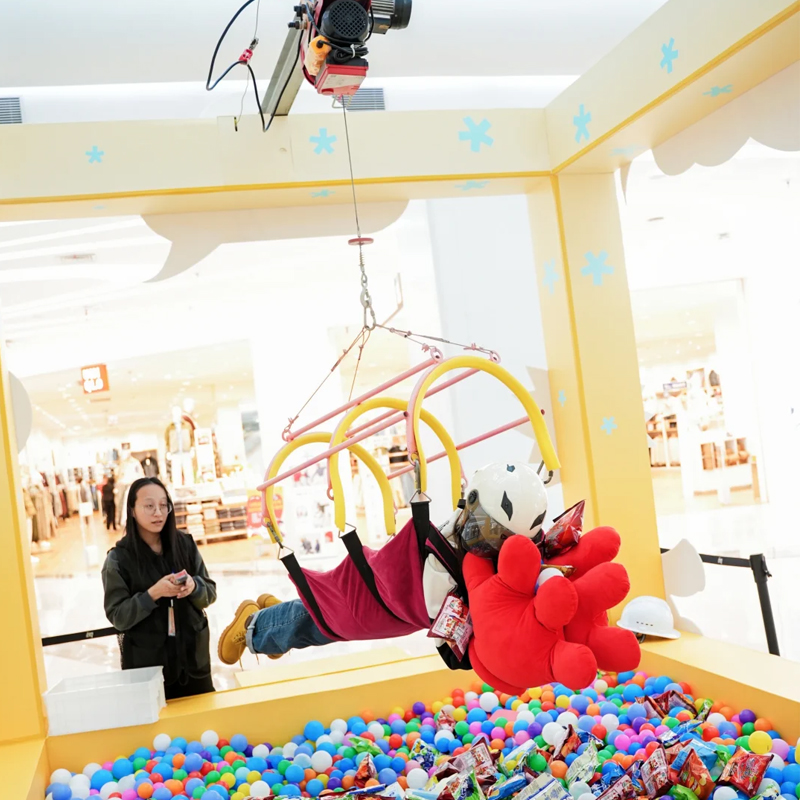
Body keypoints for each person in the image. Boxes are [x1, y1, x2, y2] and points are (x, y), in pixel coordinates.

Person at [101, 477, 217, 699]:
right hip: (149, 668)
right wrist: (153, 594)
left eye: (164, 505)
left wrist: (194, 586)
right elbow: (118, 616)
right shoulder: (118, 559)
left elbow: (210, 593)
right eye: (149, 505)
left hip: (194, 661)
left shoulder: (185, 544)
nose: (158, 512)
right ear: (132, 510)